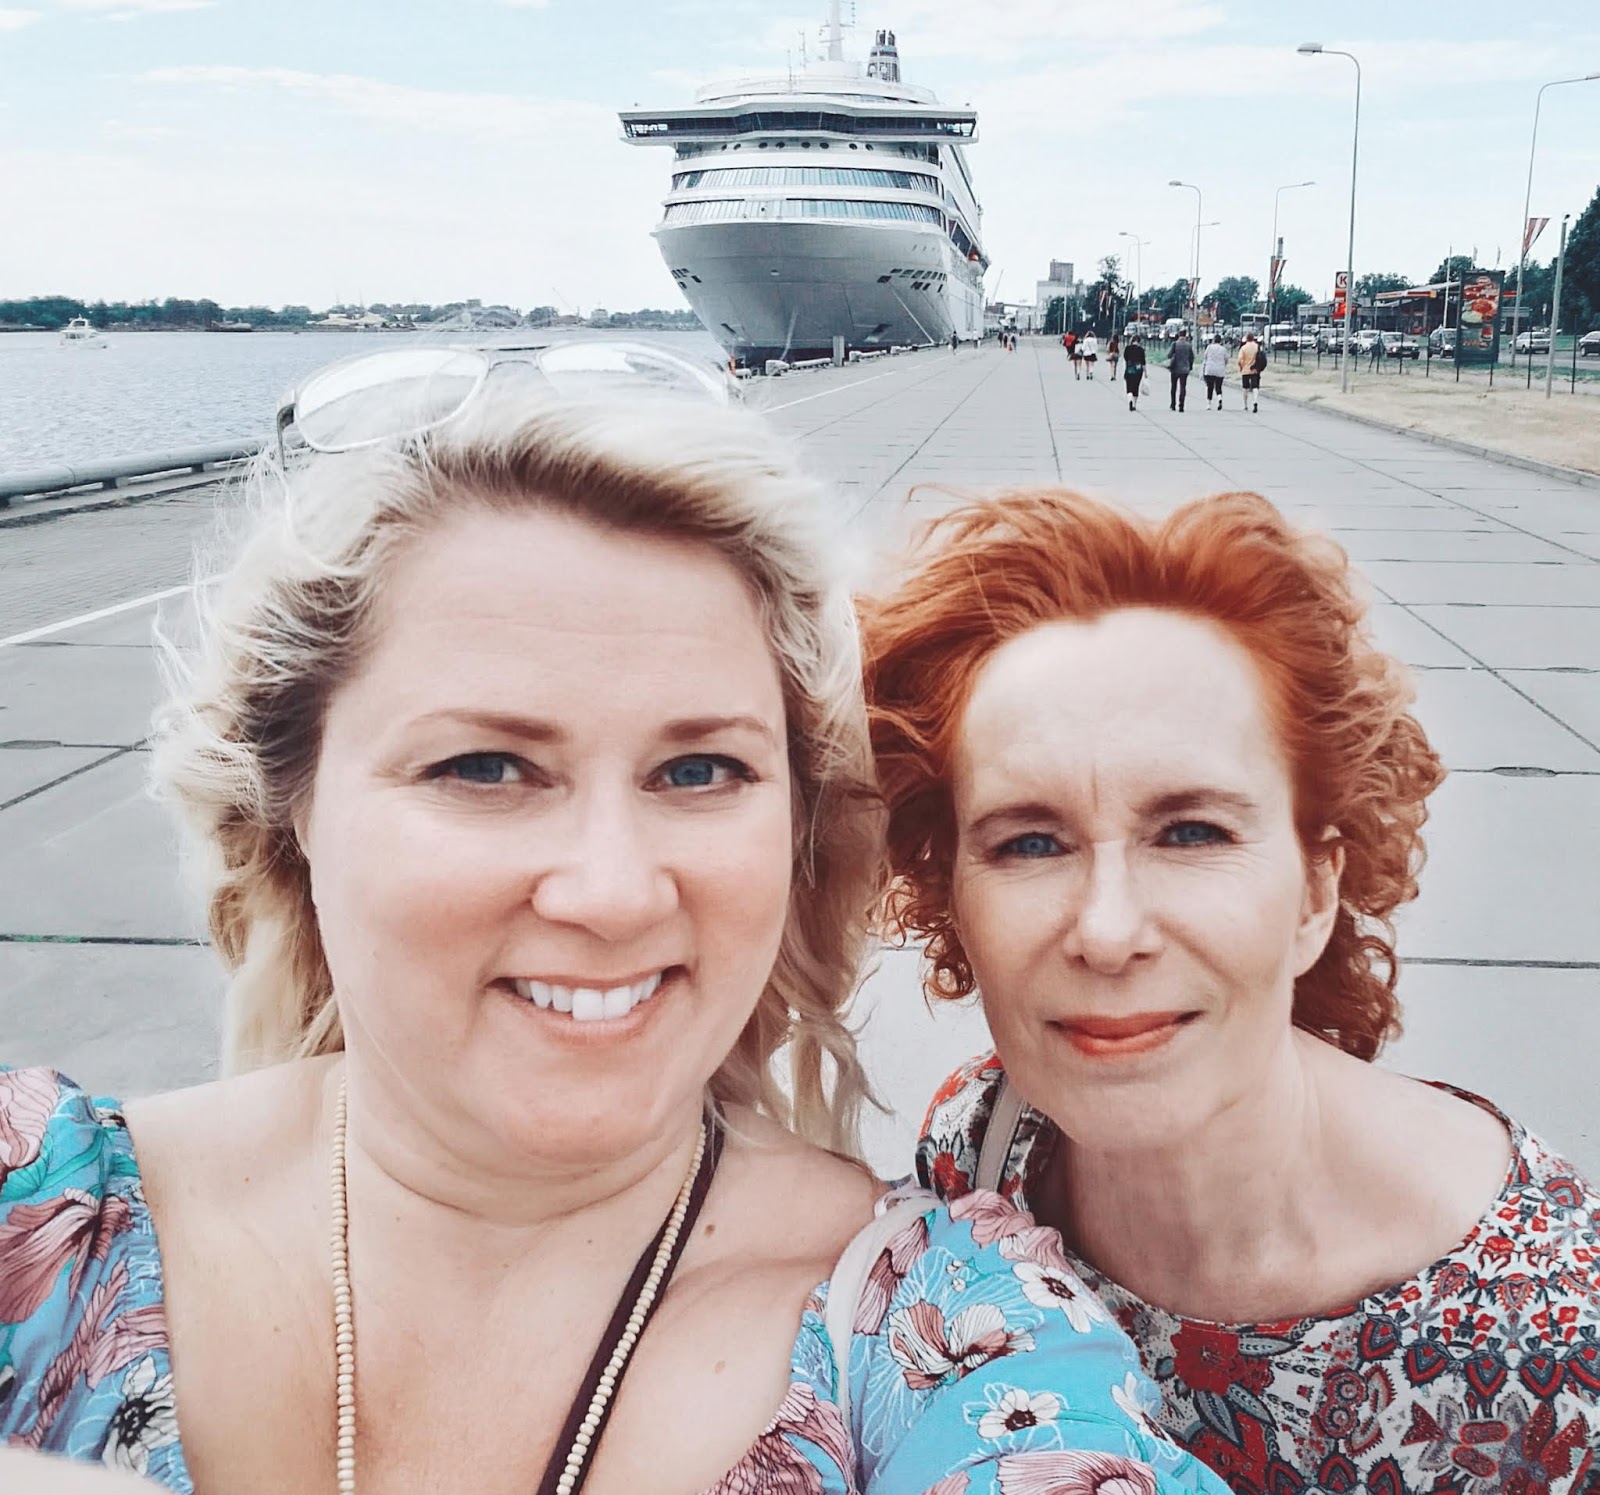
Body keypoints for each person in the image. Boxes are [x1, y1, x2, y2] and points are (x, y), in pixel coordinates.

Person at [0, 351, 1226, 1495]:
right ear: (294, 808)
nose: (613, 892)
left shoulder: (944, 1331)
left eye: (698, 771)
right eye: (485, 766)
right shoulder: (39, 1211)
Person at [860, 489, 1600, 1495]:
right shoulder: (980, 1148)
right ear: (951, 895)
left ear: (1317, 892)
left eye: (1191, 831)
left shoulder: (1552, 1351)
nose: (1107, 930)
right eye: (1029, 841)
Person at [1238, 331, 1266, 412]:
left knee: (1245, 388)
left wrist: (1241, 367)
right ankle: (1255, 401)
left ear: (1246, 339)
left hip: (1245, 369)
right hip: (1255, 369)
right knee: (1255, 387)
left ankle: (1245, 405)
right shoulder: (1257, 346)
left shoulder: (1243, 348)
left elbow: (1240, 360)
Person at [1166, 330, 1193, 411]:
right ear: (1185, 335)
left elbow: (1169, 355)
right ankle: (1181, 405)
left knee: (1173, 387)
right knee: (1183, 387)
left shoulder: (1175, 344)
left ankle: (1173, 404)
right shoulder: (1188, 345)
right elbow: (1191, 357)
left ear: (1178, 335)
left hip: (1175, 368)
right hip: (1185, 369)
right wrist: (1190, 366)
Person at [1200, 334, 1227, 410]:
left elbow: (1205, 357)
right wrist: (1223, 365)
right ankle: (1219, 398)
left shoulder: (1209, 347)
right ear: (1220, 341)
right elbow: (1226, 359)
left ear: (1214, 340)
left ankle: (1208, 404)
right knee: (1218, 387)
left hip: (1210, 369)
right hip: (1220, 370)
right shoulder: (1223, 349)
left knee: (1210, 387)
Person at [1122, 334, 1146, 411]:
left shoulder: (1127, 348)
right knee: (1136, 387)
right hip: (1138, 371)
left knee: (1129, 387)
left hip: (1129, 369)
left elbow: (1125, 358)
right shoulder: (1141, 350)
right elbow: (1143, 362)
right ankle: (1134, 404)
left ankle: (1130, 401)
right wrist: (1145, 373)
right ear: (1139, 341)